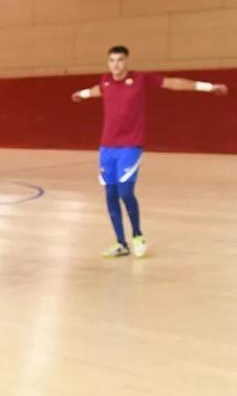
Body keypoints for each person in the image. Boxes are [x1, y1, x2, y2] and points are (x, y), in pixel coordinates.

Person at [71, 45, 228, 258]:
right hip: (107, 147)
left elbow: (173, 83)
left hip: (130, 146)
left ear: (126, 61)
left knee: (125, 191)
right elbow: (97, 90)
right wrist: (81, 94)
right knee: (110, 194)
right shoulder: (106, 81)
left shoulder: (139, 79)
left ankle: (137, 234)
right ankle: (120, 243)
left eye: (119, 60)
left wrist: (208, 87)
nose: (116, 65)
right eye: (112, 61)